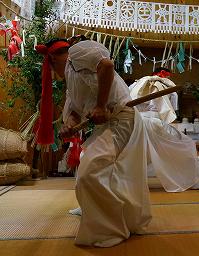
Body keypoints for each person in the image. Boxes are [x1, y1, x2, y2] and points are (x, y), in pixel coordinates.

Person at [35, 38, 151, 247]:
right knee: (85, 173)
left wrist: (100, 105)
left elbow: (106, 65)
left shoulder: (77, 53)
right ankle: (94, 211)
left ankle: (111, 230)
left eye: (51, 63)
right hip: (105, 126)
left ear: (54, 57)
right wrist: (68, 125)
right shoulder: (71, 81)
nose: (51, 69)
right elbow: (74, 114)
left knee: (90, 172)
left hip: (120, 119)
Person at [128, 67, 199, 192]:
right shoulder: (169, 87)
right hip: (154, 124)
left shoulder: (134, 85)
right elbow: (170, 114)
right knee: (186, 145)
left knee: (137, 154)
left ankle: (128, 183)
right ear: (165, 76)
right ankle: (192, 181)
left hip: (135, 124)